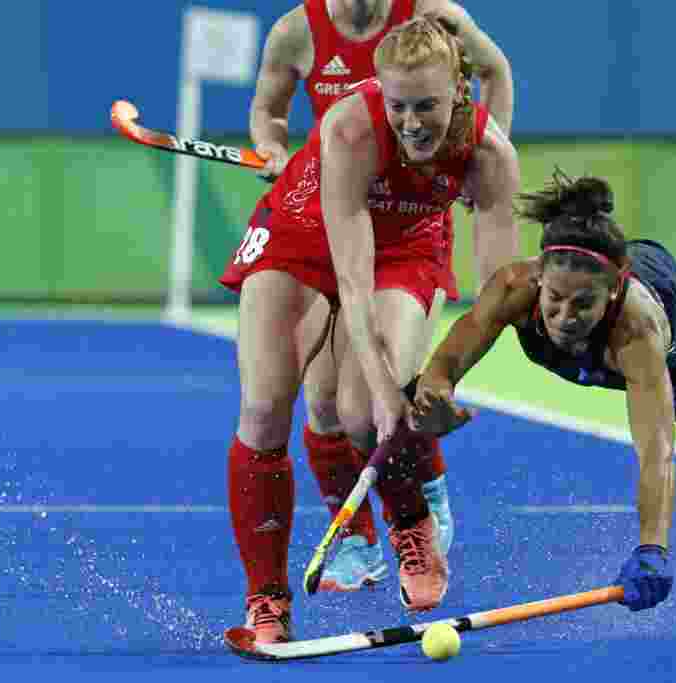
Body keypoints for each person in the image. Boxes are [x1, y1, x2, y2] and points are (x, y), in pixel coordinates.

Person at [218, 15, 521, 643]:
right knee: (265, 408)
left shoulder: (490, 156)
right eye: (399, 105)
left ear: (459, 91)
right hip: (300, 236)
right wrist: (392, 389)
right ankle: (267, 601)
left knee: (359, 412)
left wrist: (439, 378)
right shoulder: (350, 129)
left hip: (404, 246)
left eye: (427, 106)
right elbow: (349, 284)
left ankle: (412, 525)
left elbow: (499, 295)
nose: (411, 122)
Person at [407, 170, 676, 612]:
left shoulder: (637, 332)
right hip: (611, 285)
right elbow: (446, 363)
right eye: (555, 297)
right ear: (539, 278)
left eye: (583, 304)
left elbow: (656, 450)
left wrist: (653, 549)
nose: (564, 316)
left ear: (612, 292)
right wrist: (433, 397)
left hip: (664, 298)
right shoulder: (512, 289)